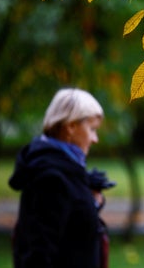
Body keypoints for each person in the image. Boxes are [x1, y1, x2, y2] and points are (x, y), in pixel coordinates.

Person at [9, 88, 115, 268]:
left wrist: (92, 202)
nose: (95, 139)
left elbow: (71, 230)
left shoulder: (66, 168)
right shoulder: (51, 178)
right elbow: (38, 254)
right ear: (70, 127)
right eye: (92, 129)